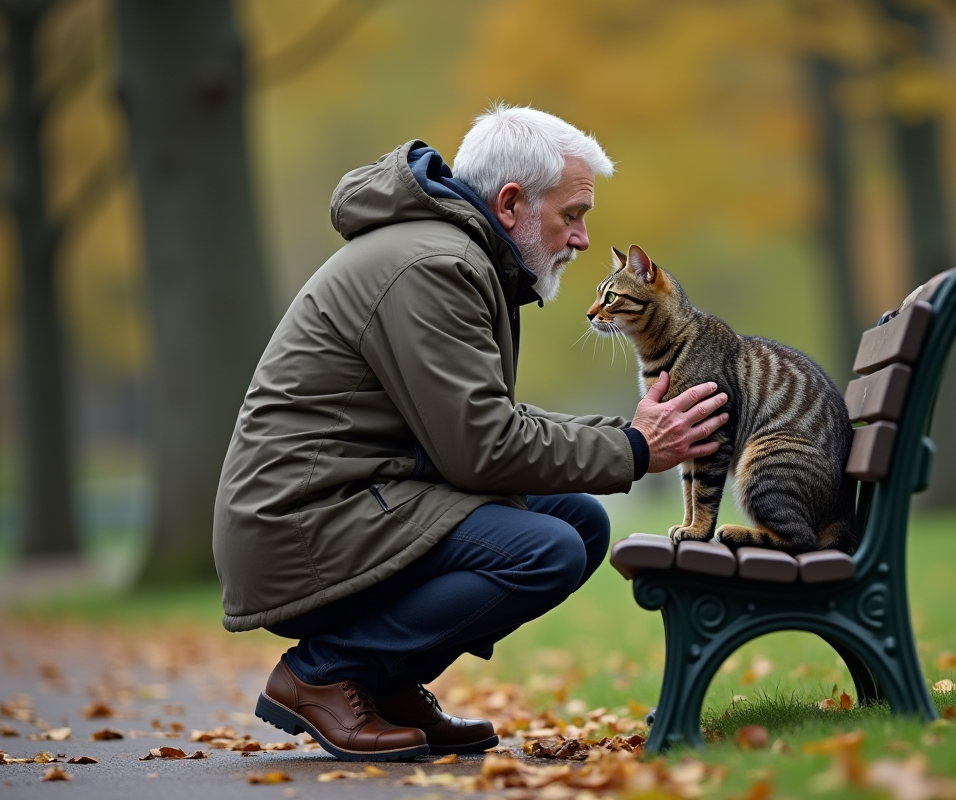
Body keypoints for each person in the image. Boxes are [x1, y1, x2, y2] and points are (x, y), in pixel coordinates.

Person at [212, 104, 729, 762]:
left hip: (358, 501)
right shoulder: (434, 265)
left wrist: (626, 436)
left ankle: (387, 680)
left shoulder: (458, 255)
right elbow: (480, 446)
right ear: (510, 202)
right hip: (301, 527)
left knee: (580, 522)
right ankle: (326, 674)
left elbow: (479, 422)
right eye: (572, 216)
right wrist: (632, 449)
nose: (579, 239)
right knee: (545, 550)